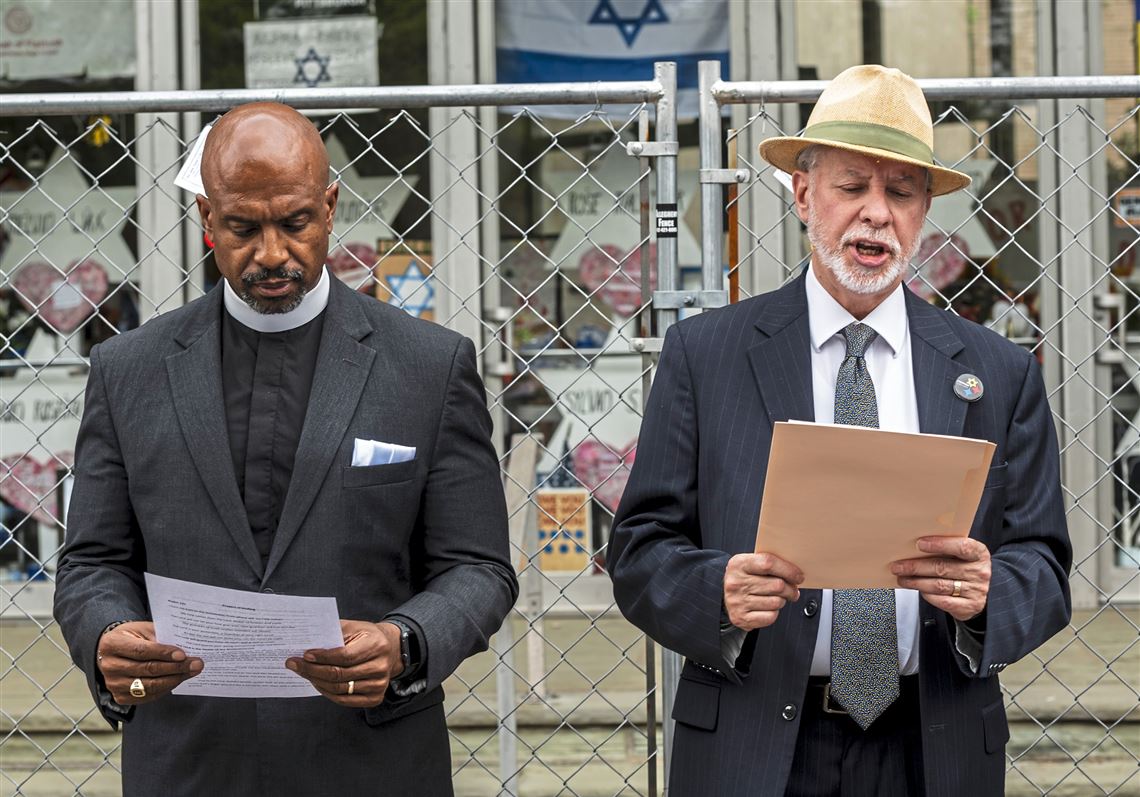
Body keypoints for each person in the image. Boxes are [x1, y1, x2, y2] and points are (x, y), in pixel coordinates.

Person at [607, 65, 1071, 797]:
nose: (876, 213)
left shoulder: (999, 371)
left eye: (901, 193)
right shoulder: (706, 355)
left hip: (936, 747)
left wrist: (990, 594)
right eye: (852, 187)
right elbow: (639, 549)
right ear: (803, 194)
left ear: (924, 212)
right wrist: (714, 590)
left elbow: (1044, 564)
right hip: (752, 744)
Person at [54, 102, 518, 796]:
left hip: (372, 765)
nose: (272, 253)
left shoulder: (430, 366)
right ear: (207, 220)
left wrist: (405, 641)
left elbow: (479, 567)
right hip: (187, 763)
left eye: (295, 223)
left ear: (329, 208)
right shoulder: (128, 371)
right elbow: (91, 562)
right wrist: (106, 634)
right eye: (244, 227)